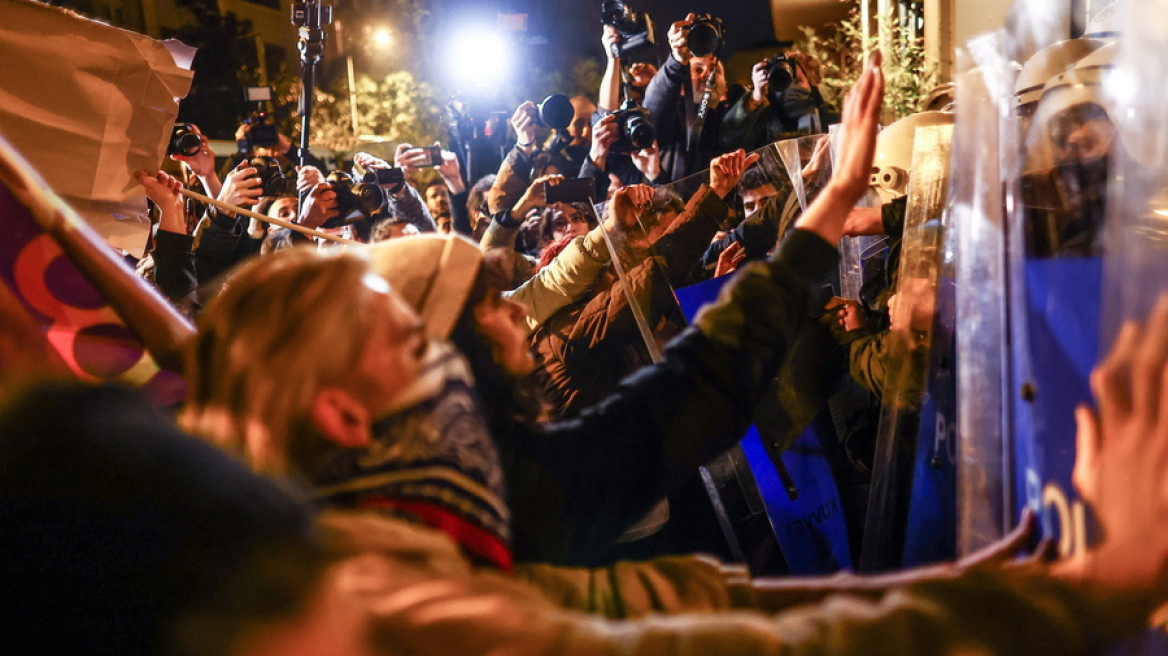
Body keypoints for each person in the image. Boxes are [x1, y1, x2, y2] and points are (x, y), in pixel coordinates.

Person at [721, 51, 838, 152]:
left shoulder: (829, 121)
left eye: (797, 81)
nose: (790, 88)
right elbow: (730, 140)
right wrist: (755, 97)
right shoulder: (761, 122)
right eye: (784, 82)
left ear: (811, 83)